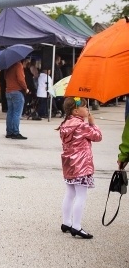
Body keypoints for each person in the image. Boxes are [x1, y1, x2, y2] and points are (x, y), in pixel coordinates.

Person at [57, 97, 102, 239]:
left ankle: (66, 222)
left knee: (70, 193)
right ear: (76, 110)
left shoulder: (65, 124)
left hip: (69, 164)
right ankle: (76, 226)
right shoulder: (82, 126)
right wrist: (93, 124)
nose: (87, 109)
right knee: (81, 195)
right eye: (84, 106)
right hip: (81, 165)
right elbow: (98, 137)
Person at [4, 57, 31, 139]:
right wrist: (25, 88)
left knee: (10, 112)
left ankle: (9, 132)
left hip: (8, 91)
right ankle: (15, 133)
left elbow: (5, 77)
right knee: (17, 113)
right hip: (17, 92)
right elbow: (21, 79)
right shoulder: (18, 65)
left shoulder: (8, 66)